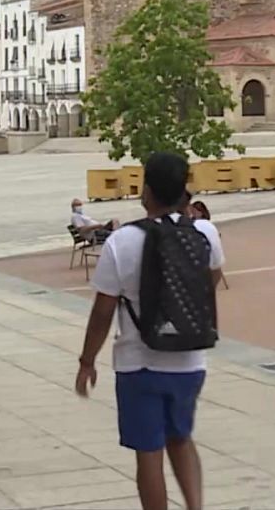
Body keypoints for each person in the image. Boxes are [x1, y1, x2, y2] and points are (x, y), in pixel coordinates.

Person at [77, 152, 224, 510]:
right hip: (190, 360)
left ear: (147, 191)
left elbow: (103, 312)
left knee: (149, 453)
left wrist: (87, 361)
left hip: (138, 363)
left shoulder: (123, 241)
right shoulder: (204, 232)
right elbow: (212, 279)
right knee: (182, 438)